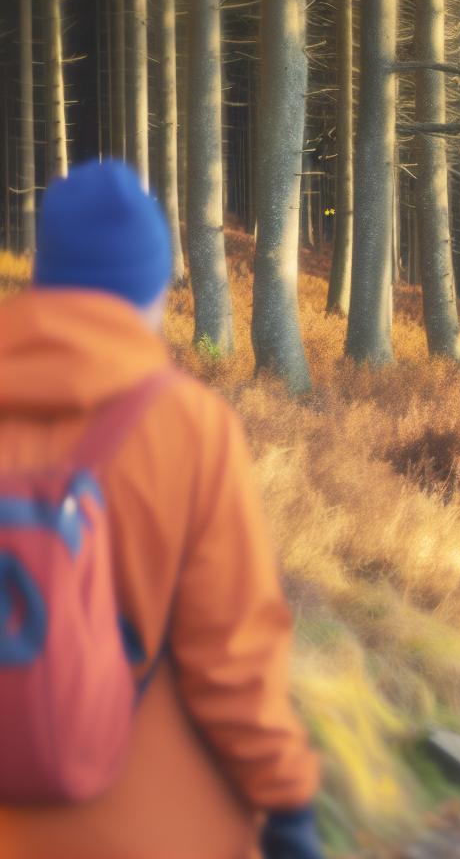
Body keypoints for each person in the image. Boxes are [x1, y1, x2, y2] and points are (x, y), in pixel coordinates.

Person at [0, 161, 323, 857]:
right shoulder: (188, 428)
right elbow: (232, 657)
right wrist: (287, 800)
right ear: (150, 289)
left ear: (44, 277)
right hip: (155, 828)